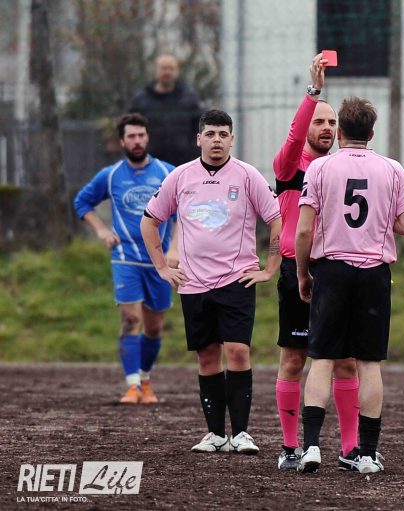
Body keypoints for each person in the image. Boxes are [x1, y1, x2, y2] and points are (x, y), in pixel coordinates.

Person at [141, 109, 282, 454]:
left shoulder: (247, 175)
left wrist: (269, 268)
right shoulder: (180, 177)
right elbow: (149, 221)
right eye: (210, 134)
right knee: (207, 357)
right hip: (193, 283)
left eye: (223, 134)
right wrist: (161, 267)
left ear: (232, 139)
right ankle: (216, 434)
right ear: (199, 139)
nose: (216, 140)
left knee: (238, 351)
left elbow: (278, 219)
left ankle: (242, 433)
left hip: (237, 279)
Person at [294, 96, 404, 474]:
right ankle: (366, 454)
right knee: (368, 363)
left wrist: (303, 273)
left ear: (340, 133)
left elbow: (303, 230)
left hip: (332, 269)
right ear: (372, 133)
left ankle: (311, 448)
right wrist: (381, 215)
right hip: (373, 273)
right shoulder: (392, 169)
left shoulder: (320, 168)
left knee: (322, 359)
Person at [272, 53, 361, 471]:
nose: (325, 127)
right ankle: (291, 447)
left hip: (335, 271)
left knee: (345, 361)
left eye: (331, 123)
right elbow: (293, 139)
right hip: (296, 271)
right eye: (318, 121)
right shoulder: (290, 165)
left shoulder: (342, 168)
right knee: (294, 359)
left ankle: (351, 448)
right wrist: (314, 92)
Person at [73, 113, 176, 405]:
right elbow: (82, 202)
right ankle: (132, 387)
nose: (137, 141)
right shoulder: (111, 175)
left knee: (153, 327)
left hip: (159, 262)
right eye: (131, 136)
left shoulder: (168, 173)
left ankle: (145, 380)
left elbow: (184, 211)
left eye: (141, 135)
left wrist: (176, 249)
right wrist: (102, 230)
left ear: (148, 137)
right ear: (122, 141)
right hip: (125, 258)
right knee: (131, 319)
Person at [129, 54, 202, 166]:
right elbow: (130, 128)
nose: (167, 72)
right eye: (163, 68)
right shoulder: (141, 100)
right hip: (150, 164)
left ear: (177, 72)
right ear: (156, 71)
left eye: (171, 69)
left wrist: (194, 154)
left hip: (183, 163)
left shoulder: (190, 100)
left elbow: (200, 128)